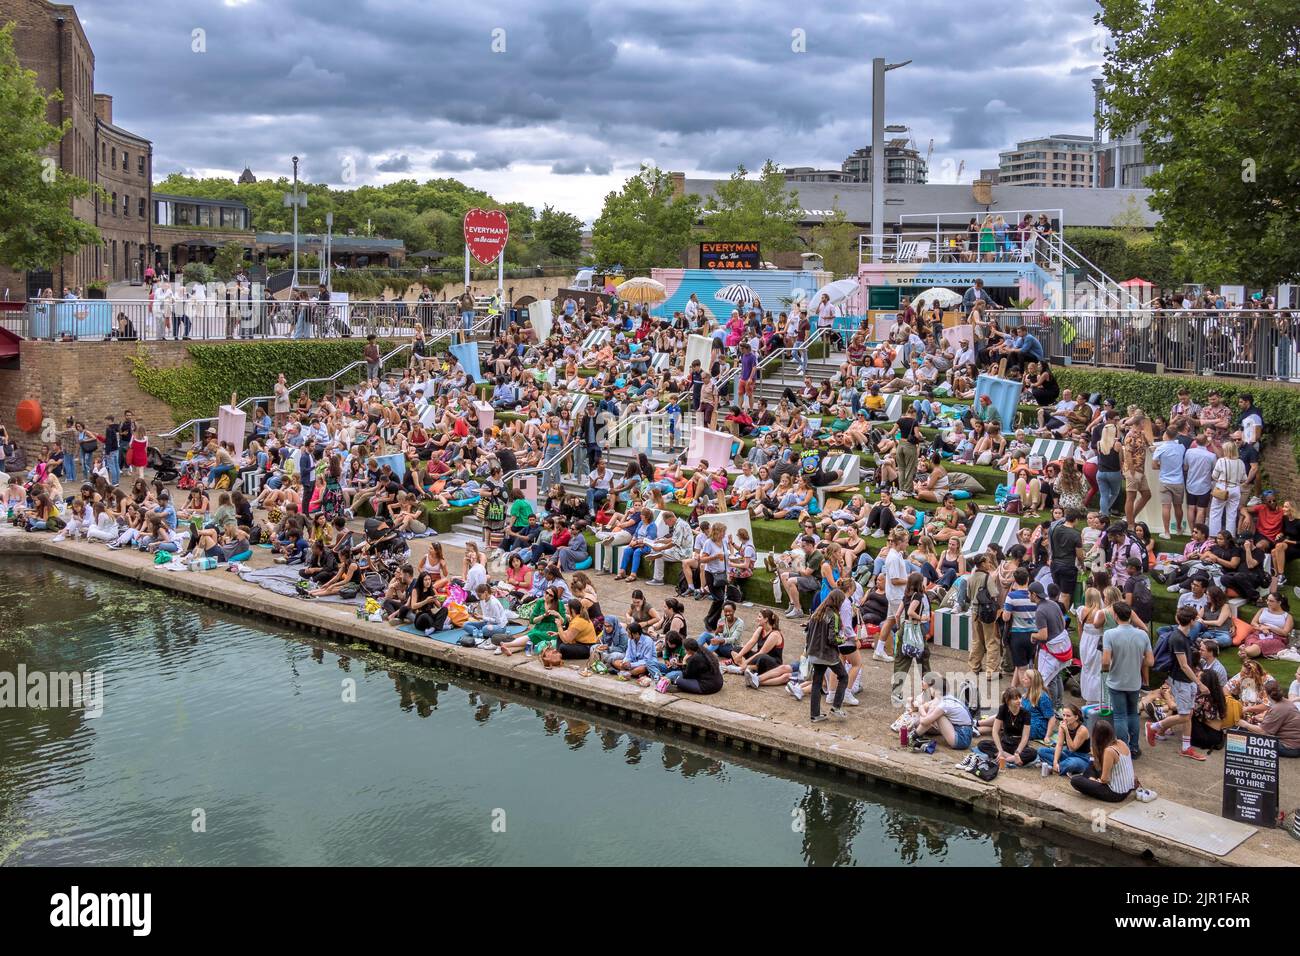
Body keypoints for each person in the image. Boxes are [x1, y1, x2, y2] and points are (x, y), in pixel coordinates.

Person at [1146, 606, 1208, 761]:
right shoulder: (1178, 638)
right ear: (1192, 621)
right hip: (1181, 681)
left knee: (1188, 714)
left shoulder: (1183, 636)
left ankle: (1186, 747)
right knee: (1184, 715)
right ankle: (1153, 727)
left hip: (1186, 681)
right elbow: (1184, 665)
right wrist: (1199, 683)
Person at [1101, 603, 1153, 759]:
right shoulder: (1142, 635)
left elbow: (1105, 661)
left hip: (1116, 681)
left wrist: (1107, 668)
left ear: (1115, 616)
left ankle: (1123, 748)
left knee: (1119, 716)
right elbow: (1150, 662)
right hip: (1134, 682)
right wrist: (1137, 660)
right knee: (1133, 714)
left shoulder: (1109, 634)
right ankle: (1135, 747)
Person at [804, 588, 849, 723]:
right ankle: (836, 707)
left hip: (813, 653)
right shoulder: (833, 616)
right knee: (843, 676)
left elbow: (808, 631)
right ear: (838, 602)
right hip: (827, 655)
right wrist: (843, 639)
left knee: (817, 683)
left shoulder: (817, 613)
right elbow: (832, 639)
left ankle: (815, 714)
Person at [1069, 720, 1137, 803]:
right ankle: (1089, 778)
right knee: (1092, 763)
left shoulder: (1109, 751)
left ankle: (1089, 779)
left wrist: (1095, 781)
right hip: (1128, 787)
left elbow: (1105, 779)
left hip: (1116, 793)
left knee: (1075, 780)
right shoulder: (1121, 742)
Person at [1238, 684, 1300, 756]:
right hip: (1296, 744)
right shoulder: (1286, 702)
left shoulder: (1278, 708)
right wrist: (1262, 720)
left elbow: (1263, 731)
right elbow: (1281, 721)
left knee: (1247, 741)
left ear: (1267, 694)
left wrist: (1245, 724)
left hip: (1289, 747)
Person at [1039, 704, 1092, 777]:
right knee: (1041, 751)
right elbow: (1059, 745)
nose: (1065, 718)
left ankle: (1056, 767)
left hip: (1081, 758)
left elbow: (1072, 748)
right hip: (1067, 754)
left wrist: (1066, 731)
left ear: (1076, 717)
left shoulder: (1082, 730)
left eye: (1068, 716)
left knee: (1071, 763)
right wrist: (1055, 762)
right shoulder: (1063, 726)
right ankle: (1058, 767)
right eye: (1064, 715)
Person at [659, 637, 723, 695]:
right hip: (718, 683)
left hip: (707, 687)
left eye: (685, 649)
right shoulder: (703, 651)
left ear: (689, 650)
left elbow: (687, 675)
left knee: (677, 680)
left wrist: (684, 661)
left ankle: (682, 687)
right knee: (676, 677)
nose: (684, 651)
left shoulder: (695, 659)